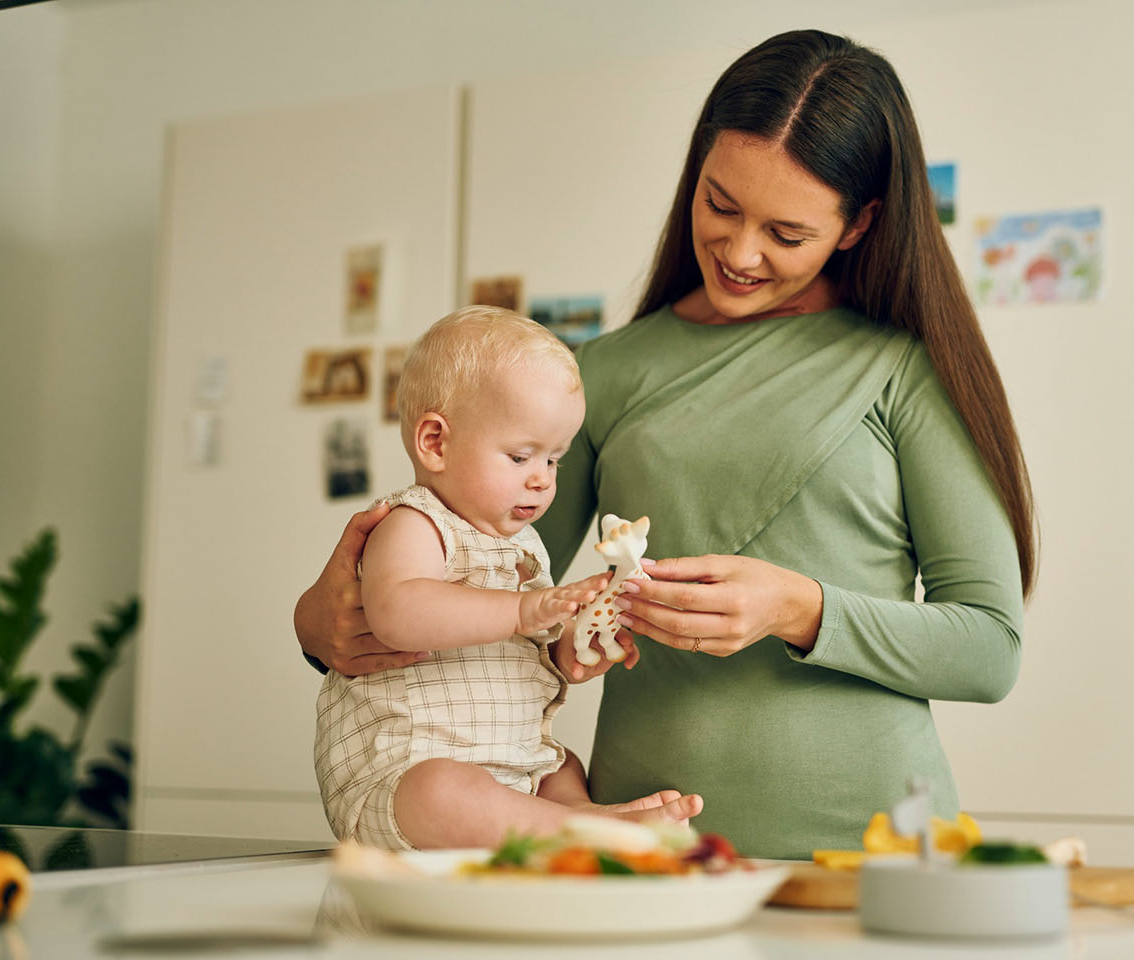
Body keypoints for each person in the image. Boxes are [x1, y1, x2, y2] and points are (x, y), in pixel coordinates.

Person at [296, 29, 1035, 860]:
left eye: (786, 234)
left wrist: (797, 607)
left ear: (859, 225)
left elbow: (988, 649)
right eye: (720, 205)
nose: (740, 251)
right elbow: (489, 568)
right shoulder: (604, 373)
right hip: (635, 848)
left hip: (866, 851)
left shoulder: (905, 369)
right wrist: (318, 624)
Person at [313, 307, 701, 851]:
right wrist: (524, 610)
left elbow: (525, 647)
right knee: (443, 790)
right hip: (402, 775)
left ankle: (581, 817)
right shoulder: (414, 523)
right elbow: (396, 615)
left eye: (555, 461)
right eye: (521, 456)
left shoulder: (522, 547)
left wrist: (574, 646)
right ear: (435, 442)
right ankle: (591, 833)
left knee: (562, 765)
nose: (542, 481)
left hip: (512, 763)